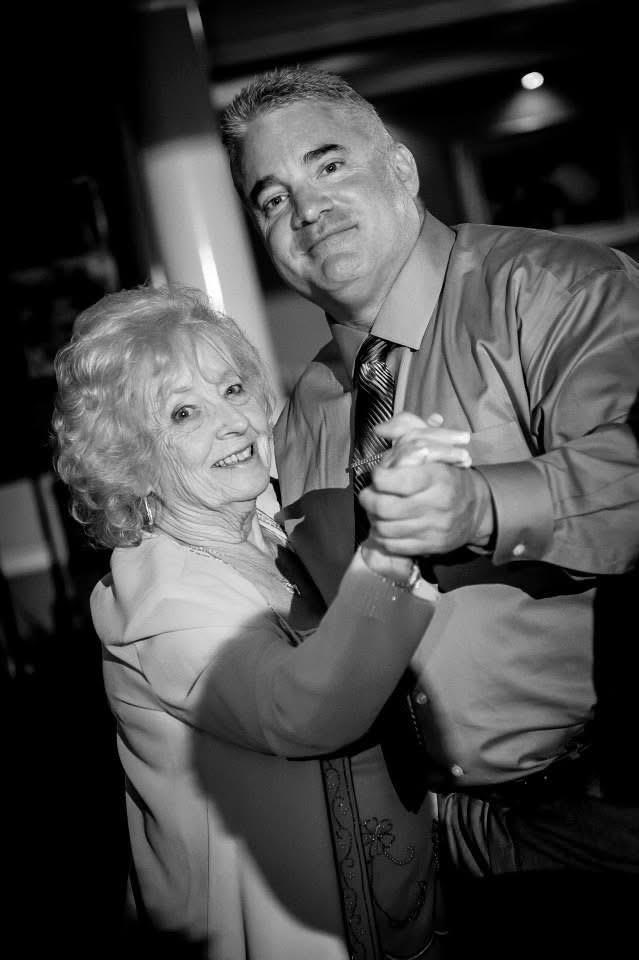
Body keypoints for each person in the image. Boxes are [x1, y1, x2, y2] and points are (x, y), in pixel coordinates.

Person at [220, 67, 639, 955]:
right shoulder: (305, 414)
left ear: (401, 169)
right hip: (436, 849)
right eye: (271, 196)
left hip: (602, 820)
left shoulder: (556, 288)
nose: (307, 208)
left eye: (329, 165)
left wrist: (479, 504)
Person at [51, 283, 476, 960]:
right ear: (129, 456)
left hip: (398, 903)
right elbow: (300, 714)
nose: (232, 421)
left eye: (232, 389)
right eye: (183, 413)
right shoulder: (158, 604)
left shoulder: (270, 524)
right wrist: (390, 552)